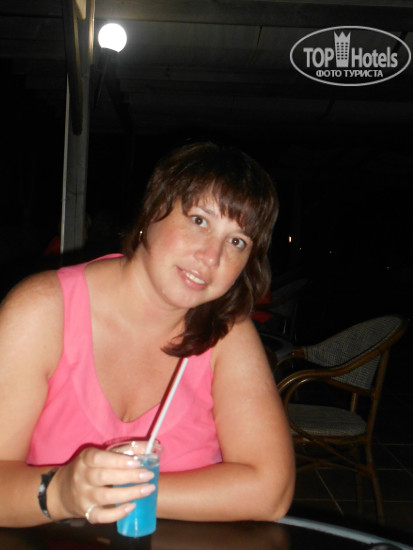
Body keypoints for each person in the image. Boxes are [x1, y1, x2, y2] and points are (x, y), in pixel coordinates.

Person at [0, 141, 295, 527]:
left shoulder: (226, 331)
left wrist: (113, 490)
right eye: (199, 221)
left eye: (237, 241)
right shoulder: (41, 310)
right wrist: (60, 493)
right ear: (152, 211)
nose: (211, 256)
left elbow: (271, 492)